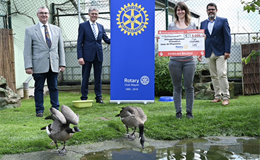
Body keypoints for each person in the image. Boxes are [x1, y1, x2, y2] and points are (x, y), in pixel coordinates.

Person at [23, 6, 66, 117]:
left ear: (49, 15)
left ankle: (56, 110)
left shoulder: (57, 29)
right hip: (38, 65)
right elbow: (27, 50)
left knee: (54, 88)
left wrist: (62, 63)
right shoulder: (30, 30)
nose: (44, 15)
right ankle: (39, 110)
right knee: (39, 88)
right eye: (41, 13)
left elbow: (60, 48)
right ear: (37, 15)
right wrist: (28, 66)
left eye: (46, 13)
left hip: (54, 64)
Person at [168, 2, 196, 119]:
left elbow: (195, 42)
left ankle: (189, 112)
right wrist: (161, 39)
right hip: (174, 61)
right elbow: (168, 41)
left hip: (189, 61)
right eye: (178, 10)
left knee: (189, 87)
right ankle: (178, 112)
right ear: (176, 12)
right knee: (177, 87)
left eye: (182, 10)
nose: (180, 12)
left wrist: (201, 39)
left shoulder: (192, 25)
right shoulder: (171, 25)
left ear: (186, 11)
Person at [199, 3, 231, 106]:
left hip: (221, 52)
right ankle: (217, 96)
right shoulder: (203, 23)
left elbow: (227, 36)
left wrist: (227, 51)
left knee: (222, 74)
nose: (211, 11)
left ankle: (226, 97)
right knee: (213, 75)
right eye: (209, 9)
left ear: (216, 10)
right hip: (209, 52)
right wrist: (200, 52)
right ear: (206, 11)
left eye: (212, 9)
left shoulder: (223, 21)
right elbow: (200, 39)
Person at [77, 7, 110, 103]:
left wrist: (118, 38)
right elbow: (79, 43)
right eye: (92, 13)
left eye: (96, 14)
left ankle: (98, 97)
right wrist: (80, 56)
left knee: (98, 77)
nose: (94, 15)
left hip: (98, 55)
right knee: (85, 77)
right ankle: (84, 97)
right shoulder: (83, 26)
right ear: (89, 14)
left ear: (98, 15)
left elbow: (107, 40)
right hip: (86, 56)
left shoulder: (100, 26)